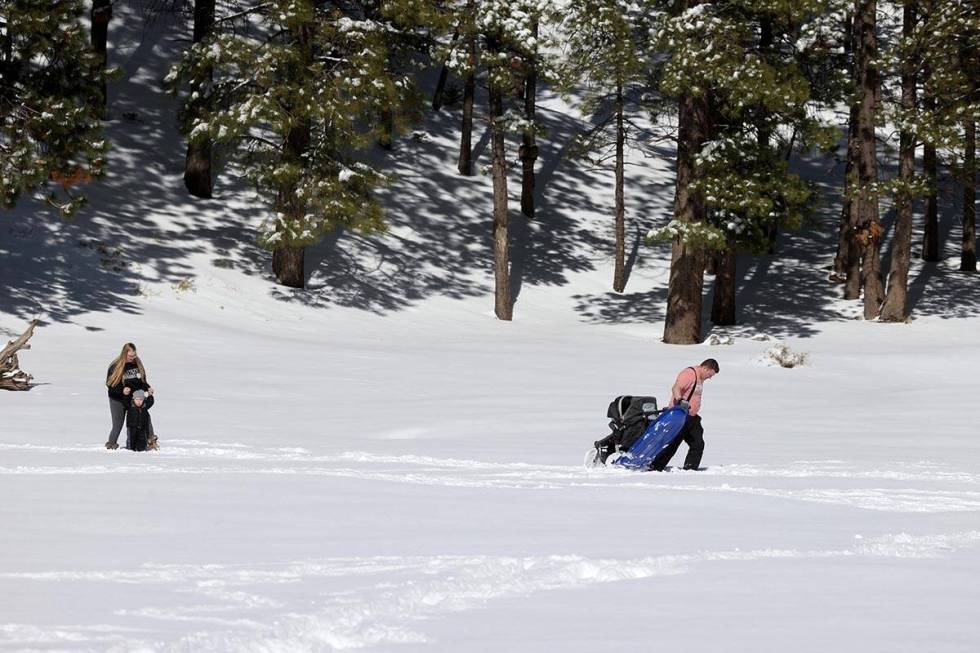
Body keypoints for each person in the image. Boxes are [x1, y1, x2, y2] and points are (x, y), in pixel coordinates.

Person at [649, 358, 719, 472]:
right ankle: (655, 468)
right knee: (672, 445)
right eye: (710, 374)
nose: (710, 378)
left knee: (698, 443)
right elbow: (676, 388)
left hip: (692, 417)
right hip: (680, 416)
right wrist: (680, 399)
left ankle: (690, 469)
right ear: (705, 368)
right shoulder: (690, 373)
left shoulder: (700, 378)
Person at [105, 343, 154, 450]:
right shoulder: (116, 366)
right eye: (130, 356)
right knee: (118, 424)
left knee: (144, 416)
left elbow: (142, 382)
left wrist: (148, 389)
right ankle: (111, 445)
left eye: (134, 355)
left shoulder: (137, 363)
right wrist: (122, 390)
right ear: (124, 354)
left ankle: (151, 441)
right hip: (117, 399)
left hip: (133, 398)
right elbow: (109, 385)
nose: (132, 358)